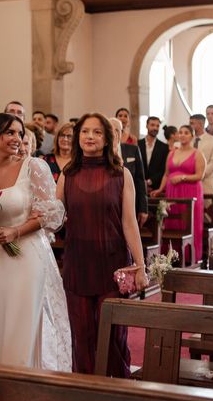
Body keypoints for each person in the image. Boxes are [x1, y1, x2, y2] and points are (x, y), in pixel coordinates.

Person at [0, 112, 71, 371]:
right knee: (1, 322)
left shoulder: (33, 166)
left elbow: (52, 214)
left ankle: (26, 388)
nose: (17, 138)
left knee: (23, 324)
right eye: (10, 133)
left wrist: (15, 232)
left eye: (19, 133)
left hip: (26, 256)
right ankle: (7, 386)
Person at [58, 113, 148, 377]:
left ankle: (117, 390)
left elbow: (129, 223)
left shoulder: (120, 174)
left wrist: (140, 266)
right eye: (85, 131)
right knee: (82, 334)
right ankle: (85, 393)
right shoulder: (68, 174)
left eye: (97, 132)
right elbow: (55, 216)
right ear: (78, 137)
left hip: (112, 262)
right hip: (78, 262)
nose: (90, 137)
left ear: (108, 139)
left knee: (113, 334)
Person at [150, 125, 205, 263]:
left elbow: (200, 175)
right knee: (172, 223)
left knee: (188, 222)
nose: (182, 135)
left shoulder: (197, 154)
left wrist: (182, 177)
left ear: (192, 136)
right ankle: (172, 256)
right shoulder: (172, 153)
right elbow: (166, 175)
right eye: (180, 132)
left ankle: (188, 256)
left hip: (190, 192)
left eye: (186, 133)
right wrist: (160, 189)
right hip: (172, 192)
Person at [109, 117, 148, 228]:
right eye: (111, 130)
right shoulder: (101, 153)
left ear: (122, 133)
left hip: (130, 203)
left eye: (118, 130)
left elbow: (140, 179)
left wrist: (143, 208)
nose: (114, 133)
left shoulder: (133, 149)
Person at [189, 114, 213, 197]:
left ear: (201, 124)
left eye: (192, 123)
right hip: (187, 183)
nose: (190, 126)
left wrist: (198, 174)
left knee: (206, 209)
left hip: (206, 183)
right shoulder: (188, 141)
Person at [138, 116, 169, 192]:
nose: (155, 128)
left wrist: (150, 181)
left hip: (156, 188)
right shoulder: (137, 144)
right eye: (152, 125)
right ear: (146, 126)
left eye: (157, 126)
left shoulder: (164, 147)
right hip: (138, 186)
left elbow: (164, 169)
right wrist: (142, 182)